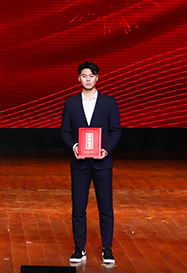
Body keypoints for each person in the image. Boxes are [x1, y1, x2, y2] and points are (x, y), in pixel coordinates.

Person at [60, 61, 122, 265]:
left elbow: (116, 130)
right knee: (79, 208)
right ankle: (79, 249)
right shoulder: (70, 103)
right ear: (78, 78)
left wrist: (106, 149)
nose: (88, 79)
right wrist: (74, 146)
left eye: (91, 75)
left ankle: (107, 249)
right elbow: (65, 131)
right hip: (80, 164)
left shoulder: (109, 102)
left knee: (106, 208)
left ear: (97, 78)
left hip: (103, 163)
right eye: (84, 75)